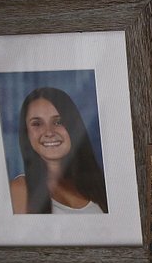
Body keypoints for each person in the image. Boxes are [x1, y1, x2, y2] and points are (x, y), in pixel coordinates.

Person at [9, 86, 108, 214]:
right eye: (37, 124)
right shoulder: (20, 190)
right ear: (26, 133)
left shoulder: (101, 185)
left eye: (58, 122)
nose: (49, 132)